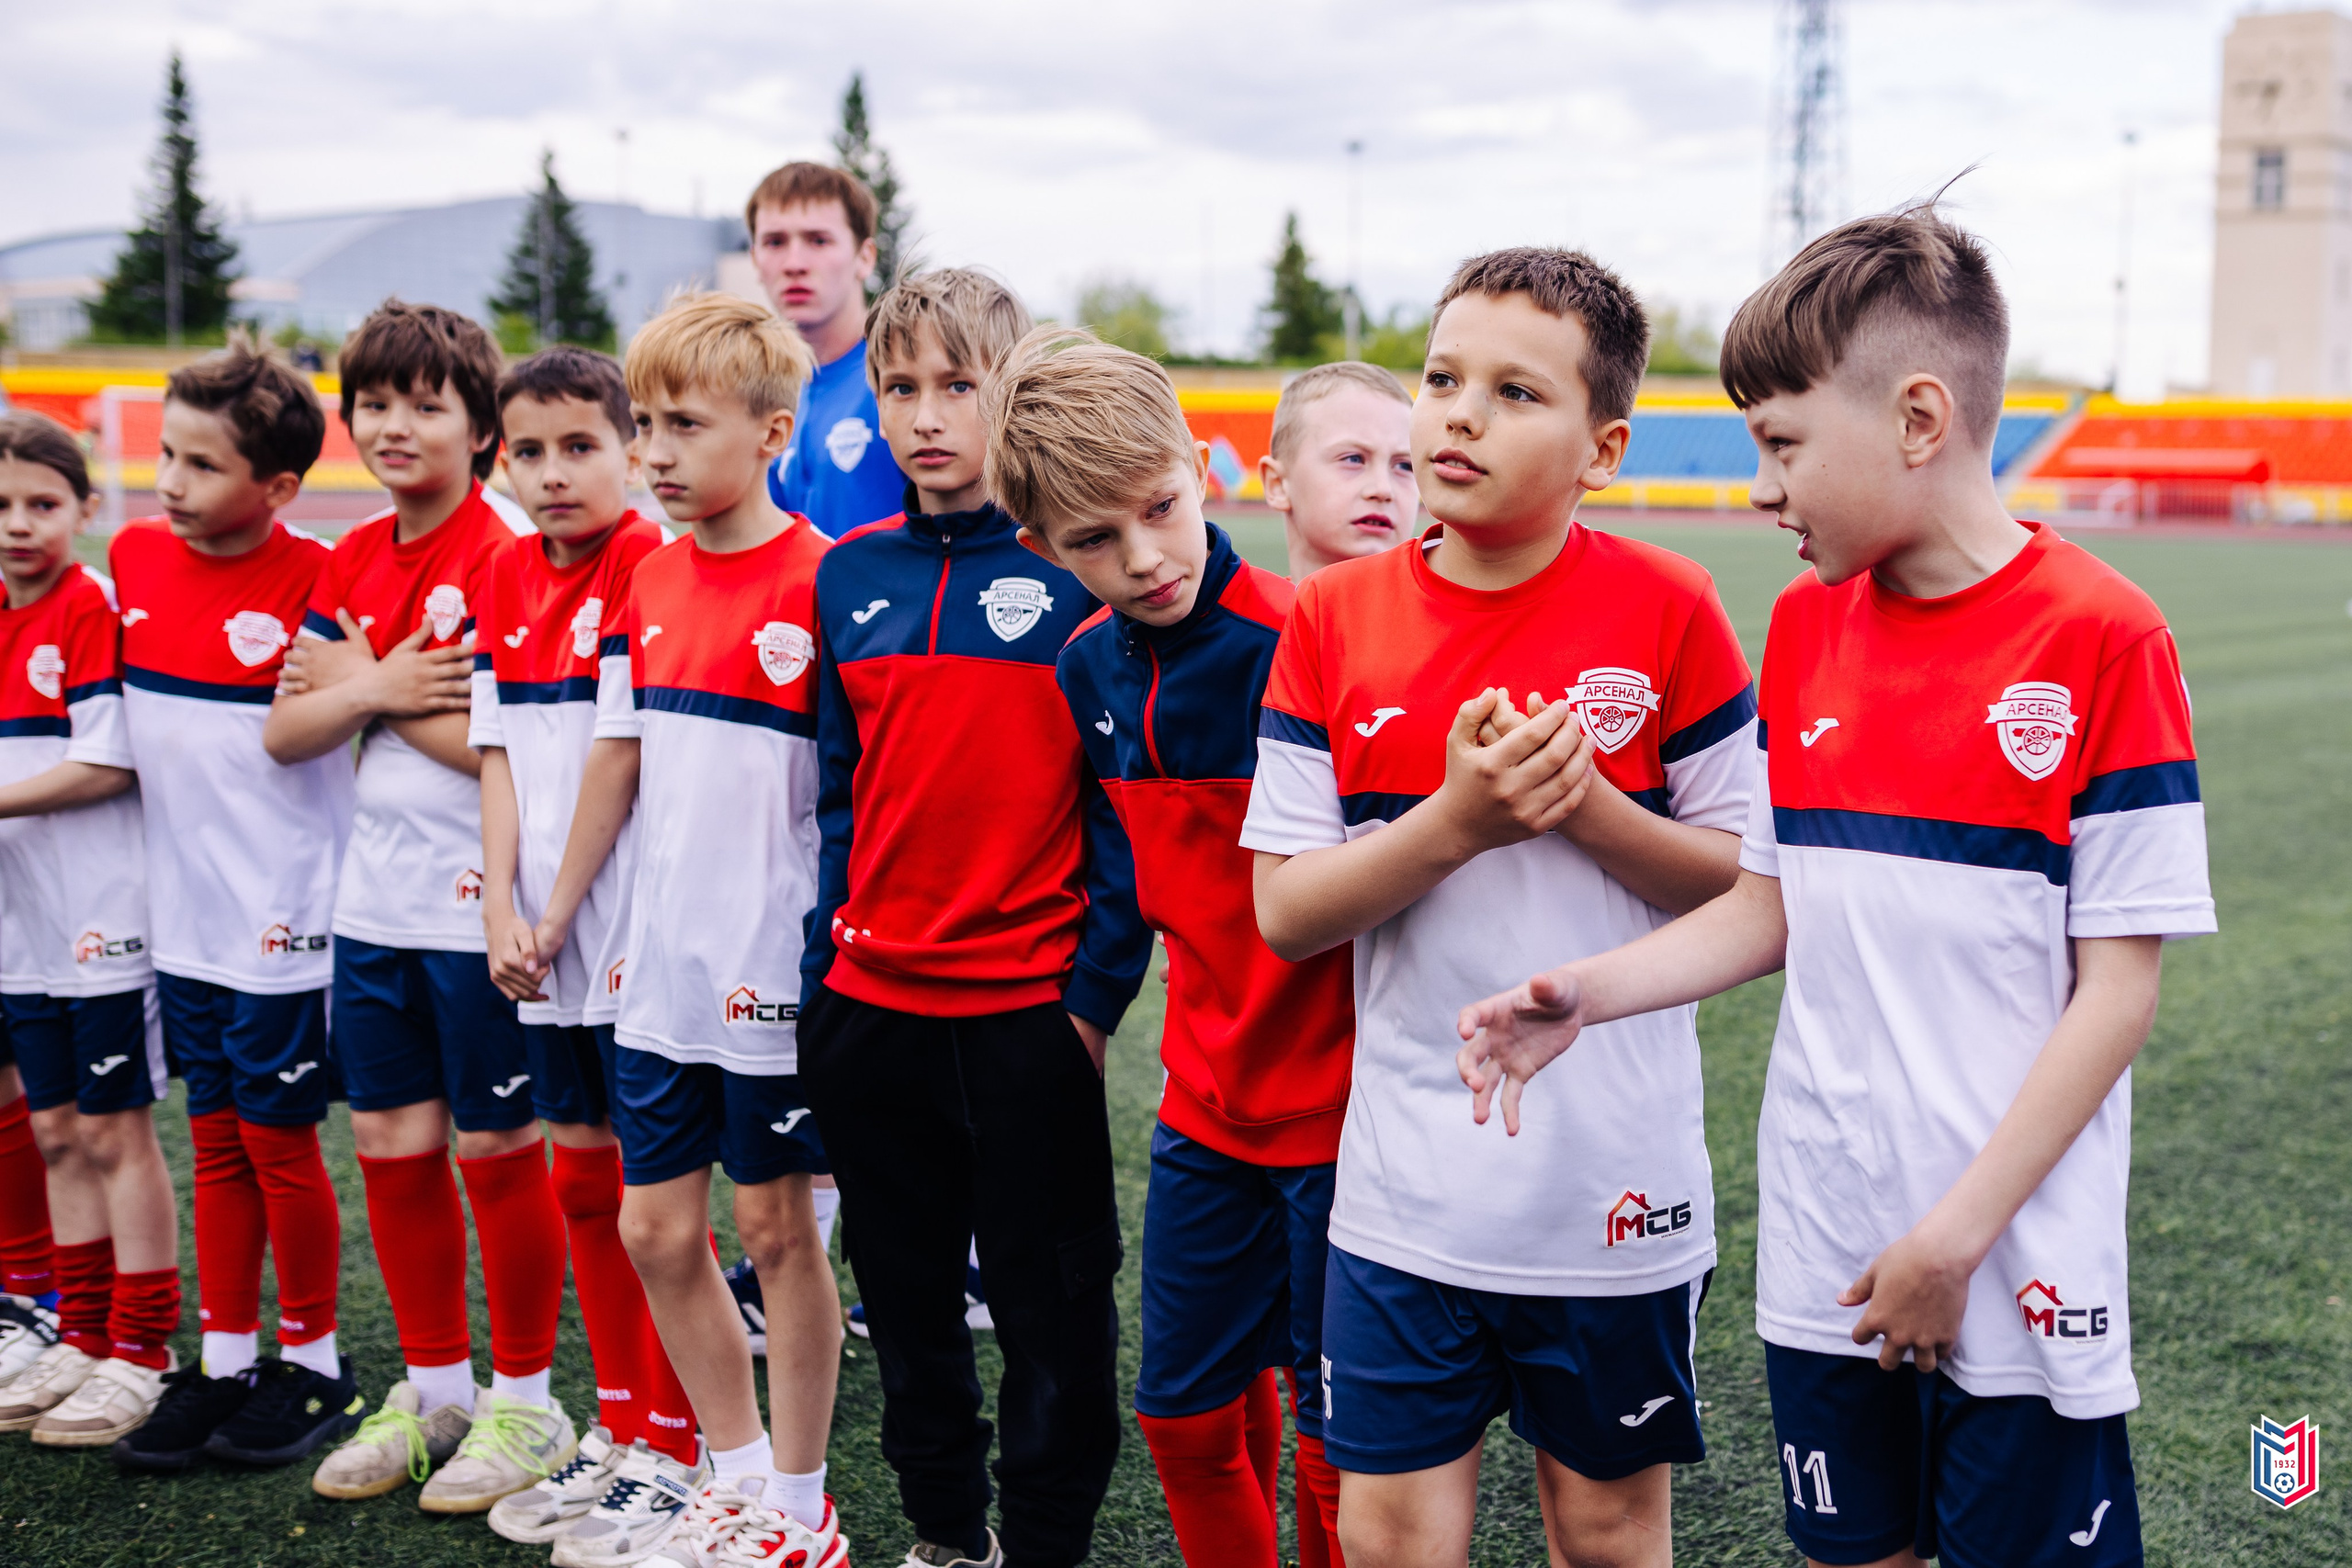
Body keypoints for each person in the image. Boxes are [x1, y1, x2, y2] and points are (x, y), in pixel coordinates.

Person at [1456, 207, 2214, 1568]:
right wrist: (1592, 996)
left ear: (1919, 416)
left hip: (2012, 1258)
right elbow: (1770, 900)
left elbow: (2117, 996)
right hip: (1828, 1241)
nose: (1760, 488)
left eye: (1782, 443)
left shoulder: (2106, 636)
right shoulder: (1806, 624)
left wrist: (1955, 1238)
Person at [1243, 249, 1760, 1568]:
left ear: (1604, 446)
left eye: (1516, 390)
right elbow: (1290, 911)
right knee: (1392, 1535)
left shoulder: (1670, 607)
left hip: (1611, 1185)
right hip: (1405, 1186)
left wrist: (1589, 808)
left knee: (1602, 1528)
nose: (1458, 414)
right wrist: (1455, 820)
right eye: (1441, 377)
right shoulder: (1336, 617)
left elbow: (1752, 883)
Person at [797, 294, 1152, 1568]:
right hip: (871, 1013)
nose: (928, 414)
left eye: (960, 383)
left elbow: (1124, 817)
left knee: (1058, 1322)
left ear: (1014, 389)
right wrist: (820, 977)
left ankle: (1045, 1543)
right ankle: (949, 1536)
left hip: (1025, 1022)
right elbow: (837, 797)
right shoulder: (848, 573)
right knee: (908, 1315)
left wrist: (1093, 1000)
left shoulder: (1075, 569)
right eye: (901, 387)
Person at [1010, 330, 1352, 1567]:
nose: (1142, 557)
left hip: (1350, 1110)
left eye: (1158, 508)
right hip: (1206, 1105)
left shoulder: (1312, 637)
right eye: (1094, 539)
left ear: (1201, 468)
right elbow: (1117, 890)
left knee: (1335, 1438)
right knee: (1183, 1412)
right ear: (1042, 545)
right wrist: (1072, 1036)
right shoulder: (1086, 668)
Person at [530, 291, 847, 1568]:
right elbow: (619, 755)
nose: (652, 451)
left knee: (776, 1233)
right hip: (652, 968)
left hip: (770, 976)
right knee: (653, 1227)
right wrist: (559, 909)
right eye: (643, 422)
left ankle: (799, 1501)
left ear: (771, 432)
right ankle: (729, 1479)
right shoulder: (645, 575)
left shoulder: (828, 581)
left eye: (682, 423)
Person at [264, 299, 575, 1511]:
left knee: (498, 1152)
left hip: (475, 907)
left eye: (424, 403)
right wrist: (381, 682)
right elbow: (288, 730)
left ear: (480, 423)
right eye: (374, 404)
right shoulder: (349, 558)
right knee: (392, 1149)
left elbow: (514, 749)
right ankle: (436, 1390)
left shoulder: (507, 550)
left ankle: (528, 1401)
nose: (395, 426)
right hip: (373, 903)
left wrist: (372, 687)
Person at [458, 345, 706, 1552]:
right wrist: (502, 904)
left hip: (632, 937)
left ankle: (682, 1437)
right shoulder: (502, 574)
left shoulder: (650, 565)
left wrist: (552, 911)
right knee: (579, 1178)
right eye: (530, 451)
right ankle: (617, 1432)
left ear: (629, 451)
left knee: (662, 1202)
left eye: (581, 446)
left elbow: (618, 759)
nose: (554, 473)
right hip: (542, 933)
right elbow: (499, 751)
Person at [106, 343, 364, 1472]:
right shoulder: (128, 557)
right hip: (186, 918)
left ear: (278, 488)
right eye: (166, 454)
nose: (169, 482)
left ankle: (311, 1363)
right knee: (212, 1138)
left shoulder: (325, 576)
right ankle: (223, 1357)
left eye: (201, 465)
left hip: (285, 918)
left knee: (278, 1141)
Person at [0, 412, 181, 1448]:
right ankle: (80, 1331)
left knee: (114, 1132)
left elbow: (108, 764)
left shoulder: (88, 608)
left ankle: (143, 1348)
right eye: (3, 507)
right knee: (55, 1129)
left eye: (42, 504)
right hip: (26, 926)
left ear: (85, 509)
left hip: (100, 922)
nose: (20, 525)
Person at [752, 161, 907, 537]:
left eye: (818, 240)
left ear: (865, 257)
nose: (794, 264)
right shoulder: (758, 393)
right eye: (774, 242)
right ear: (755, 259)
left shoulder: (907, 379)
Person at [1257, 360, 1419, 581]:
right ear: (1277, 484)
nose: (1383, 489)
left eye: (1404, 466)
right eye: (1353, 459)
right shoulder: (1237, 615)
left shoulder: (1444, 615)